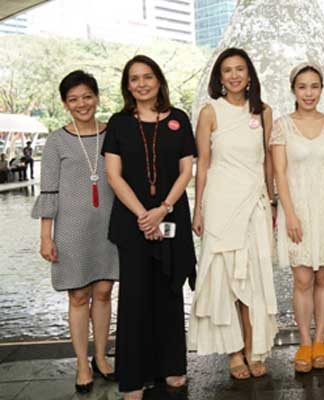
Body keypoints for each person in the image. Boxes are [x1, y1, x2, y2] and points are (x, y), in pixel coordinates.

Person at [102, 55, 197, 399]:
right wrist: (145, 214)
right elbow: (113, 175)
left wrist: (163, 210)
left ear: (159, 80)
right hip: (133, 220)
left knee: (170, 291)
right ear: (127, 86)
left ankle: (172, 366)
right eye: (134, 79)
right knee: (135, 296)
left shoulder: (179, 119)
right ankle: (133, 376)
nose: (141, 83)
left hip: (171, 215)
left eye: (147, 76)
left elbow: (187, 171)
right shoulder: (118, 123)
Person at [188, 48, 278, 380]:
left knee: (253, 278)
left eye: (240, 69)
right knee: (225, 280)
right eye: (228, 70)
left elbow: (267, 160)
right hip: (221, 203)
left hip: (254, 202)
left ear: (250, 75)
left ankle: (255, 347)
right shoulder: (210, 112)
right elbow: (204, 163)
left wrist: (272, 202)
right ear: (220, 77)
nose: (235, 75)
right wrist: (198, 209)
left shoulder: (264, 112)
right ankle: (235, 352)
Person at [31, 70, 118, 394]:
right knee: (79, 295)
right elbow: (49, 191)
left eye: (87, 97)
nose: (82, 104)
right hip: (71, 230)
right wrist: (45, 236)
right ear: (65, 104)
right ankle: (82, 362)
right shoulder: (56, 140)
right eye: (74, 99)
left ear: (96, 97)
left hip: (110, 229)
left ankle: (102, 356)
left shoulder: (113, 132)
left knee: (105, 292)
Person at [270, 63, 324, 372]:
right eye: (303, 86)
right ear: (293, 90)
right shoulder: (282, 125)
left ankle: (321, 339)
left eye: (315, 86)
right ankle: (304, 341)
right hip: (298, 209)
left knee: (323, 277)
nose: (309, 93)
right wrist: (288, 213)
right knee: (302, 277)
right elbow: (279, 172)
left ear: (322, 88)